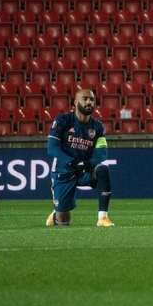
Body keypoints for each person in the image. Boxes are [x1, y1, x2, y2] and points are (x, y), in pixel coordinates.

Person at [46, 88, 114, 227]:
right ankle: (56, 213)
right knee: (64, 222)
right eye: (85, 99)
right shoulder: (63, 120)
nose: (89, 102)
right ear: (76, 102)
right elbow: (52, 147)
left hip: (85, 170)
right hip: (64, 170)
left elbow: (102, 153)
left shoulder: (98, 126)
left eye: (92, 99)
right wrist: (72, 162)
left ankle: (103, 217)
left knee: (102, 169)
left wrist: (89, 164)